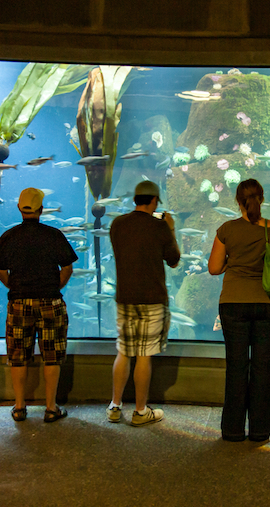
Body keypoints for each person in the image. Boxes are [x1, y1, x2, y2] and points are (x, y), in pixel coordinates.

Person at [208, 178, 270, 442]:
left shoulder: (227, 229)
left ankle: (232, 430)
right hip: (267, 305)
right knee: (262, 366)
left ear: (238, 202)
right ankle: (260, 430)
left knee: (236, 367)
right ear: (261, 198)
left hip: (233, 303)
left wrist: (231, 263)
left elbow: (214, 268)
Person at [0, 187, 78, 423]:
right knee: (52, 355)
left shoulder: (9, 237)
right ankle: (51, 407)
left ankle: (19, 406)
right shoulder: (53, 235)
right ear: (42, 209)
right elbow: (68, 268)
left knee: (18, 354)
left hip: (19, 302)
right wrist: (54, 288)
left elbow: (0, 271)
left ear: (19, 208)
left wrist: (17, 288)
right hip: (50, 301)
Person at [108, 180, 180, 427]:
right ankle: (140, 411)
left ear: (135, 199)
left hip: (125, 296)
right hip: (152, 298)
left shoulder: (117, 224)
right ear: (154, 201)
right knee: (144, 355)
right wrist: (169, 229)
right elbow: (173, 260)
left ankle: (115, 406)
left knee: (124, 351)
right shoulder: (159, 227)